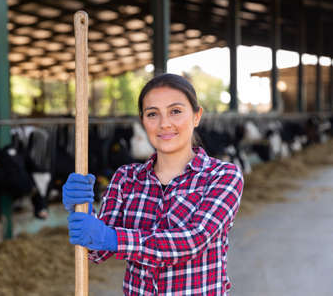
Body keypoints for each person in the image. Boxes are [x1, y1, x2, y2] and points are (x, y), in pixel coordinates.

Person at [63, 73, 244, 295]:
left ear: (197, 116)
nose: (164, 124)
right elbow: (97, 252)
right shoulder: (126, 178)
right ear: (143, 121)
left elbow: (193, 240)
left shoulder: (222, 175)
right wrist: (81, 211)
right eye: (152, 114)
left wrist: (113, 238)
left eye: (175, 111)